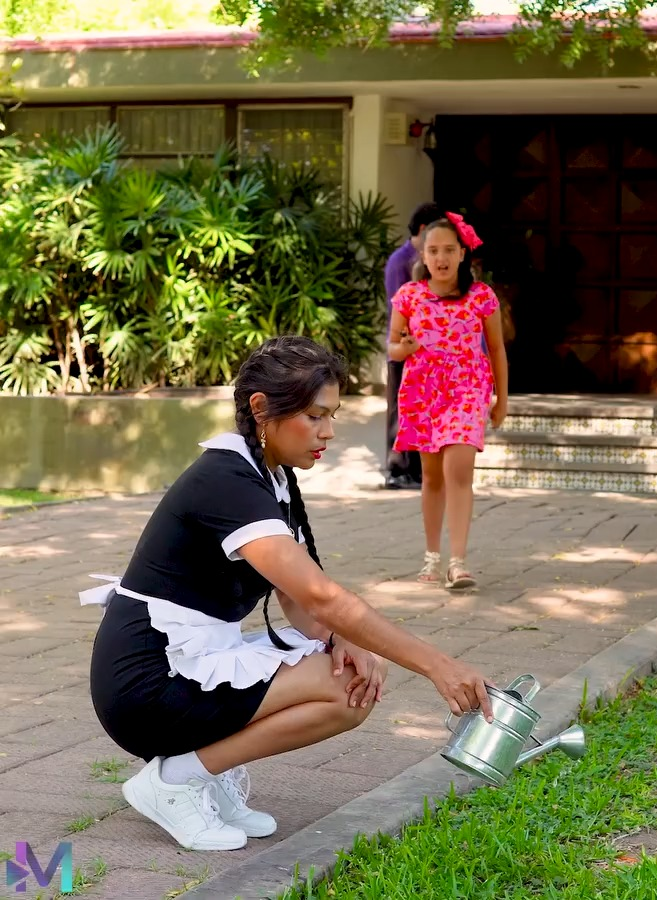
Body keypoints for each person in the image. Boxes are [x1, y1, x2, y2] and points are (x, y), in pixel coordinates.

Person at [80, 336, 494, 853]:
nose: (330, 432)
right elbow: (322, 597)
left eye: (333, 416)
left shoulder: (271, 476)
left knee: (349, 683)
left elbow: (300, 600)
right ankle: (175, 781)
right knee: (339, 681)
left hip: (191, 660)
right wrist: (438, 665)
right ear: (261, 409)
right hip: (145, 684)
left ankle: (196, 774)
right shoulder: (225, 478)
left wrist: (344, 641)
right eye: (316, 416)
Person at [388, 214, 509, 590]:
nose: (440, 258)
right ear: (423, 254)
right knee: (432, 476)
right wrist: (402, 347)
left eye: (448, 250)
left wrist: (501, 399)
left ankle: (458, 562)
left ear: (462, 255)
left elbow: (497, 350)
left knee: (459, 469)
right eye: (433, 250)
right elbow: (392, 347)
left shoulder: (482, 297)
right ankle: (431, 558)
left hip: (468, 390)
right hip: (423, 392)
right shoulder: (409, 295)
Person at [384, 202, 443, 489]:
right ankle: (397, 469)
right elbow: (401, 308)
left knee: (420, 412)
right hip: (403, 350)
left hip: (424, 354)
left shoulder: (425, 260)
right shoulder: (401, 260)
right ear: (423, 229)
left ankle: (417, 471)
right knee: (399, 411)